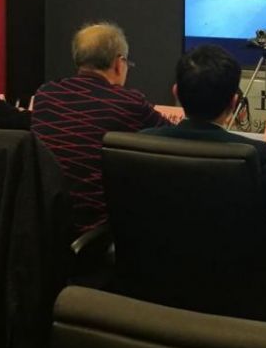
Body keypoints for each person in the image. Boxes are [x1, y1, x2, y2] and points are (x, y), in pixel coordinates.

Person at [142, 44, 266, 248]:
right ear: (234, 103)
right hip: (245, 267)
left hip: (153, 264)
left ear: (176, 93)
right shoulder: (253, 154)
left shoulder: (142, 144)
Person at [31, 22, 170, 235]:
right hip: (96, 233)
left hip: (43, 229)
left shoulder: (45, 95)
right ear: (119, 63)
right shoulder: (128, 102)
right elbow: (174, 140)